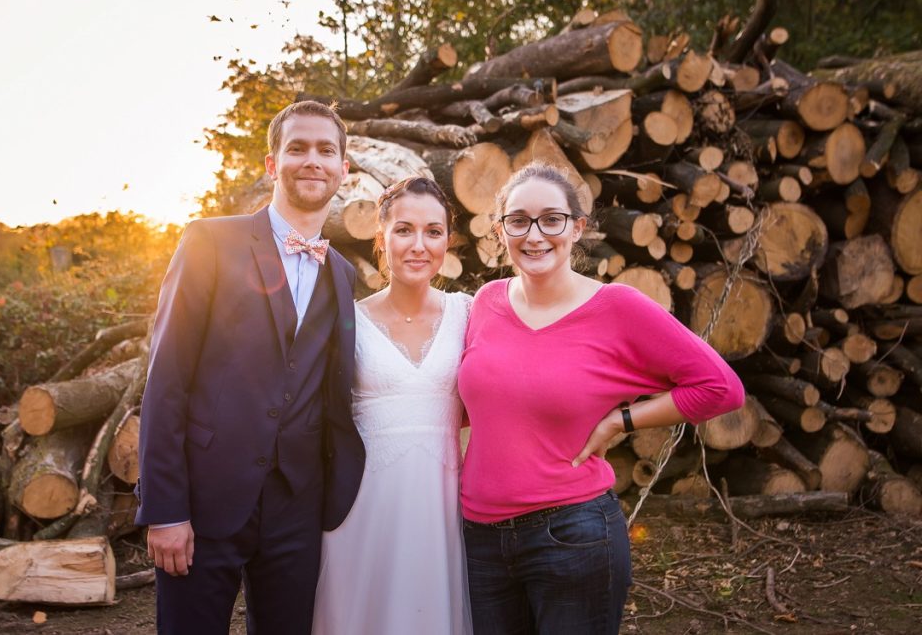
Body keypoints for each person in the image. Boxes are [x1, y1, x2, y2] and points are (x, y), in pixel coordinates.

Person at [457, 163, 745, 634]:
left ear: (577, 227)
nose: (534, 235)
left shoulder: (617, 308)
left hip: (571, 536)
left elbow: (721, 388)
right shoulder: (486, 301)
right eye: (518, 220)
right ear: (500, 229)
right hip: (480, 541)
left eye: (551, 219)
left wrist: (621, 421)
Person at [135, 100, 365, 635]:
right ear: (271, 164)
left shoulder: (343, 274)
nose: (314, 161)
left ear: (344, 169)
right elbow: (166, 380)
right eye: (298, 148)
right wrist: (165, 509)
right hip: (205, 497)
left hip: (298, 508)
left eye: (326, 151)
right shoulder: (210, 241)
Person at [312, 177, 473, 635]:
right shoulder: (349, 322)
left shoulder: (469, 313)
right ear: (381, 239)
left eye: (433, 232)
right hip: (363, 510)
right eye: (404, 230)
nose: (418, 245)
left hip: (439, 508)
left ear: (448, 240)